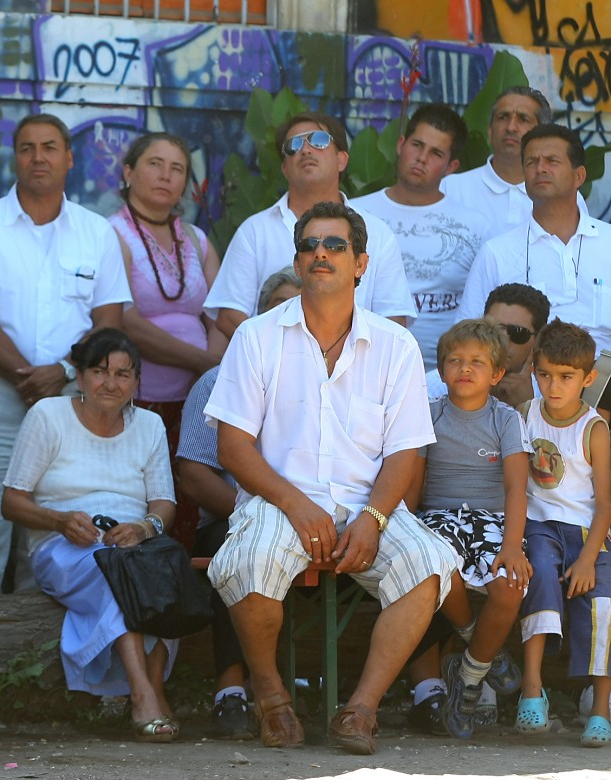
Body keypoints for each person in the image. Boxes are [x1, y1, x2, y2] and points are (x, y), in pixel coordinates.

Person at [205, 200, 456, 755]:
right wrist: (295, 504)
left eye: (334, 245)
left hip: (369, 504)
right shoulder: (256, 337)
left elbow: (404, 452)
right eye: (309, 245)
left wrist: (374, 517)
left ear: (361, 263)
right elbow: (233, 447)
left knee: (428, 566)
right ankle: (271, 698)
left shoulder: (396, 345)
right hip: (279, 501)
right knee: (248, 562)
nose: (320, 253)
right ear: (297, 262)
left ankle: (360, 710)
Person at [0, 114, 130, 598]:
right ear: (16, 157)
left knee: (51, 530)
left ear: (68, 158)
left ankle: (36, 653)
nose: (39, 157)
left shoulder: (96, 233)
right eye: (28, 148)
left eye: (50, 147)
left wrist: (62, 372)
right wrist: (23, 376)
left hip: (69, 404)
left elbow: (109, 321)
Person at [2, 328, 178, 742]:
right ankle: (143, 696)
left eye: (122, 374)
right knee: (115, 573)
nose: (110, 384)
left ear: (136, 383)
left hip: (130, 543)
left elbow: (164, 504)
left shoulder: (149, 425)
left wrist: (143, 527)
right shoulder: (48, 416)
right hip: (64, 546)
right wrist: (59, 521)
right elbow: (12, 502)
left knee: (160, 567)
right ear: (78, 377)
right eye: (99, 371)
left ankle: (152, 688)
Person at [175, 270, 299, 740]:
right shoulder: (217, 378)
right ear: (260, 316)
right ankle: (230, 690)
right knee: (238, 551)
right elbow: (194, 474)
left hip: (306, 523)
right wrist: (257, 514)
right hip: (231, 515)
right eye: (280, 306)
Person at [404, 319, 532, 739]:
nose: (465, 368)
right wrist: (402, 527)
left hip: (492, 520)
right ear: (441, 370)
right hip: (439, 516)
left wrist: (512, 546)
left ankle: (469, 675)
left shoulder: (506, 420)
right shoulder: (429, 416)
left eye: (477, 362)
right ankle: (486, 652)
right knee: (439, 565)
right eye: (455, 360)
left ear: (496, 374)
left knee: (510, 585)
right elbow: (414, 484)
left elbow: (516, 489)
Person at [107, 132, 224, 543]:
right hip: (139, 399)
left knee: (190, 494)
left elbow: (220, 316)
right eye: (154, 164)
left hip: (195, 402)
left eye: (177, 168)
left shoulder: (196, 239)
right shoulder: (111, 235)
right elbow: (125, 320)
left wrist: (209, 374)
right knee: (144, 494)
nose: (166, 176)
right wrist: (204, 363)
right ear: (128, 172)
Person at [205, 111, 415, 340]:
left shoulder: (377, 233)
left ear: (342, 159)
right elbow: (229, 315)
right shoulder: (254, 231)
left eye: (319, 140)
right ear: (285, 168)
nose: (305, 150)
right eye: (293, 145)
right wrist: (277, 355)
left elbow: (393, 321)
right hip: (271, 370)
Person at [515, 319, 611, 747]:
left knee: (604, 601)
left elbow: (606, 502)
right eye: (545, 374)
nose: (554, 386)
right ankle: (531, 691)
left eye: (567, 377)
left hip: (588, 531)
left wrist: (589, 558)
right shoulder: (525, 414)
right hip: (538, 526)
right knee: (538, 579)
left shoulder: (595, 429)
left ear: (588, 379)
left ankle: (600, 709)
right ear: (534, 371)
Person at [349, 104, 489, 372]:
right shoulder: (354, 214)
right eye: (417, 145)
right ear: (401, 145)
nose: (422, 158)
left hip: (451, 375)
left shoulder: (476, 226)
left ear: (452, 166)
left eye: (436, 153)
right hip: (366, 365)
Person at [459, 124, 611, 353]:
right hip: (525, 380)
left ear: (579, 176)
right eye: (531, 162)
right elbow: (467, 336)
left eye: (552, 161)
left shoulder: (607, 242)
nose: (540, 168)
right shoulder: (497, 252)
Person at [440, 86, 572, 232]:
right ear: (490, 131)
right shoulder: (451, 189)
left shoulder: (565, 195)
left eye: (523, 119)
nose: (511, 127)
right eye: (503, 117)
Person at [426, 283, 550, 406]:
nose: (503, 340)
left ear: (538, 341)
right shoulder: (430, 389)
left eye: (517, 332)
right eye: (494, 329)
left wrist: (528, 407)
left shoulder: (551, 391)